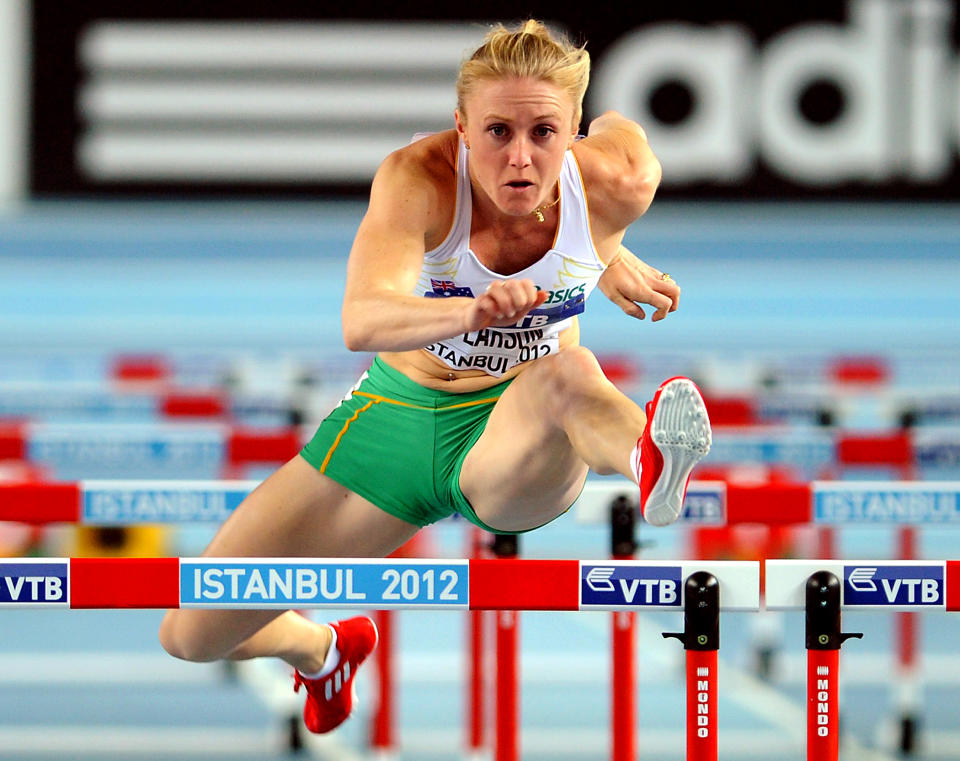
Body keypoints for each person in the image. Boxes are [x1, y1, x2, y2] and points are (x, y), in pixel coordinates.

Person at [158, 19, 711, 734]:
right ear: (461, 128)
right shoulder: (416, 178)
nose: (519, 157)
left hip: (514, 439)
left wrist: (608, 245)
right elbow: (362, 318)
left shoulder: (621, 180)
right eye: (496, 133)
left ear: (573, 130)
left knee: (568, 372)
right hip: (397, 418)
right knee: (192, 633)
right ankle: (325, 648)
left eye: (544, 133)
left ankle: (648, 457)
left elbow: (620, 125)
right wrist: (469, 311)